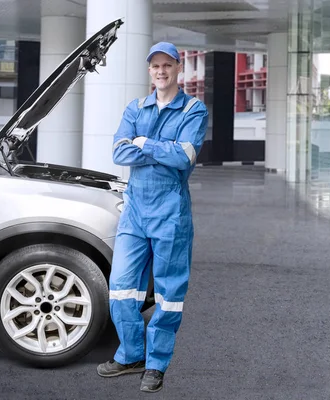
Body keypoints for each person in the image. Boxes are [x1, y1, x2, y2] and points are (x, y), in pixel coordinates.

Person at [97, 42, 208, 393]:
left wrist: (143, 143)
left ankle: (156, 364)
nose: (161, 71)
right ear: (150, 71)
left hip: (170, 214)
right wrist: (159, 148)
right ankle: (131, 354)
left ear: (179, 68)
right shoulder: (135, 107)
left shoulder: (194, 109)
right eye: (155, 66)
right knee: (120, 289)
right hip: (134, 214)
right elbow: (118, 151)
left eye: (167, 65)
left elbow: (185, 156)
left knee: (168, 294)